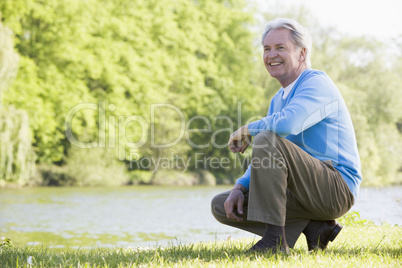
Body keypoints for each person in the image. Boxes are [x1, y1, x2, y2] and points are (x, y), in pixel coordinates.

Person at [211, 18, 362, 253]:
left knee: (265, 137)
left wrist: (249, 128)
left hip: (336, 188)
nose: (272, 55)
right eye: (267, 49)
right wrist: (239, 187)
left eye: (280, 47)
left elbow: (288, 125)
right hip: (304, 192)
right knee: (223, 205)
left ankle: (275, 241)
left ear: (302, 53)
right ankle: (316, 226)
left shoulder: (316, 82)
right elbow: (268, 155)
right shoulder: (278, 99)